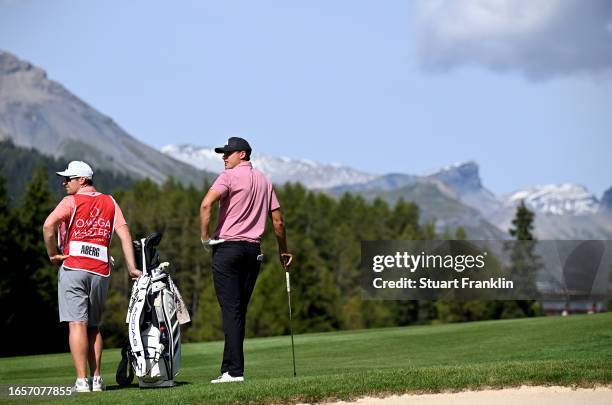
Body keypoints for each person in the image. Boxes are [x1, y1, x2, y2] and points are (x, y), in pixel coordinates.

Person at [42, 161, 141, 392]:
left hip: (74, 267)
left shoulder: (71, 201)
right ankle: (96, 379)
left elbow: (48, 225)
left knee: (77, 324)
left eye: (69, 178)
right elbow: (124, 233)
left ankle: (81, 381)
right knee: (94, 327)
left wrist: (53, 254)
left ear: (82, 180)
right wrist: (132, 268)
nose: (64, 182)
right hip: (100, 270)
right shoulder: (110, 201)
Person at [200, 137, 293, 384]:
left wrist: (205, 239)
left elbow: (206, 205)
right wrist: (283, 251)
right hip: (253, 252)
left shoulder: (228, 177)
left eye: (228, 153)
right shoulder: (264, 180)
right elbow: (278, 222)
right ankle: (230, 368)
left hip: (227, 249)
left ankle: (233, 372)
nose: (224, 157)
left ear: (242, 154)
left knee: (231, 311)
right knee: (238, 311)